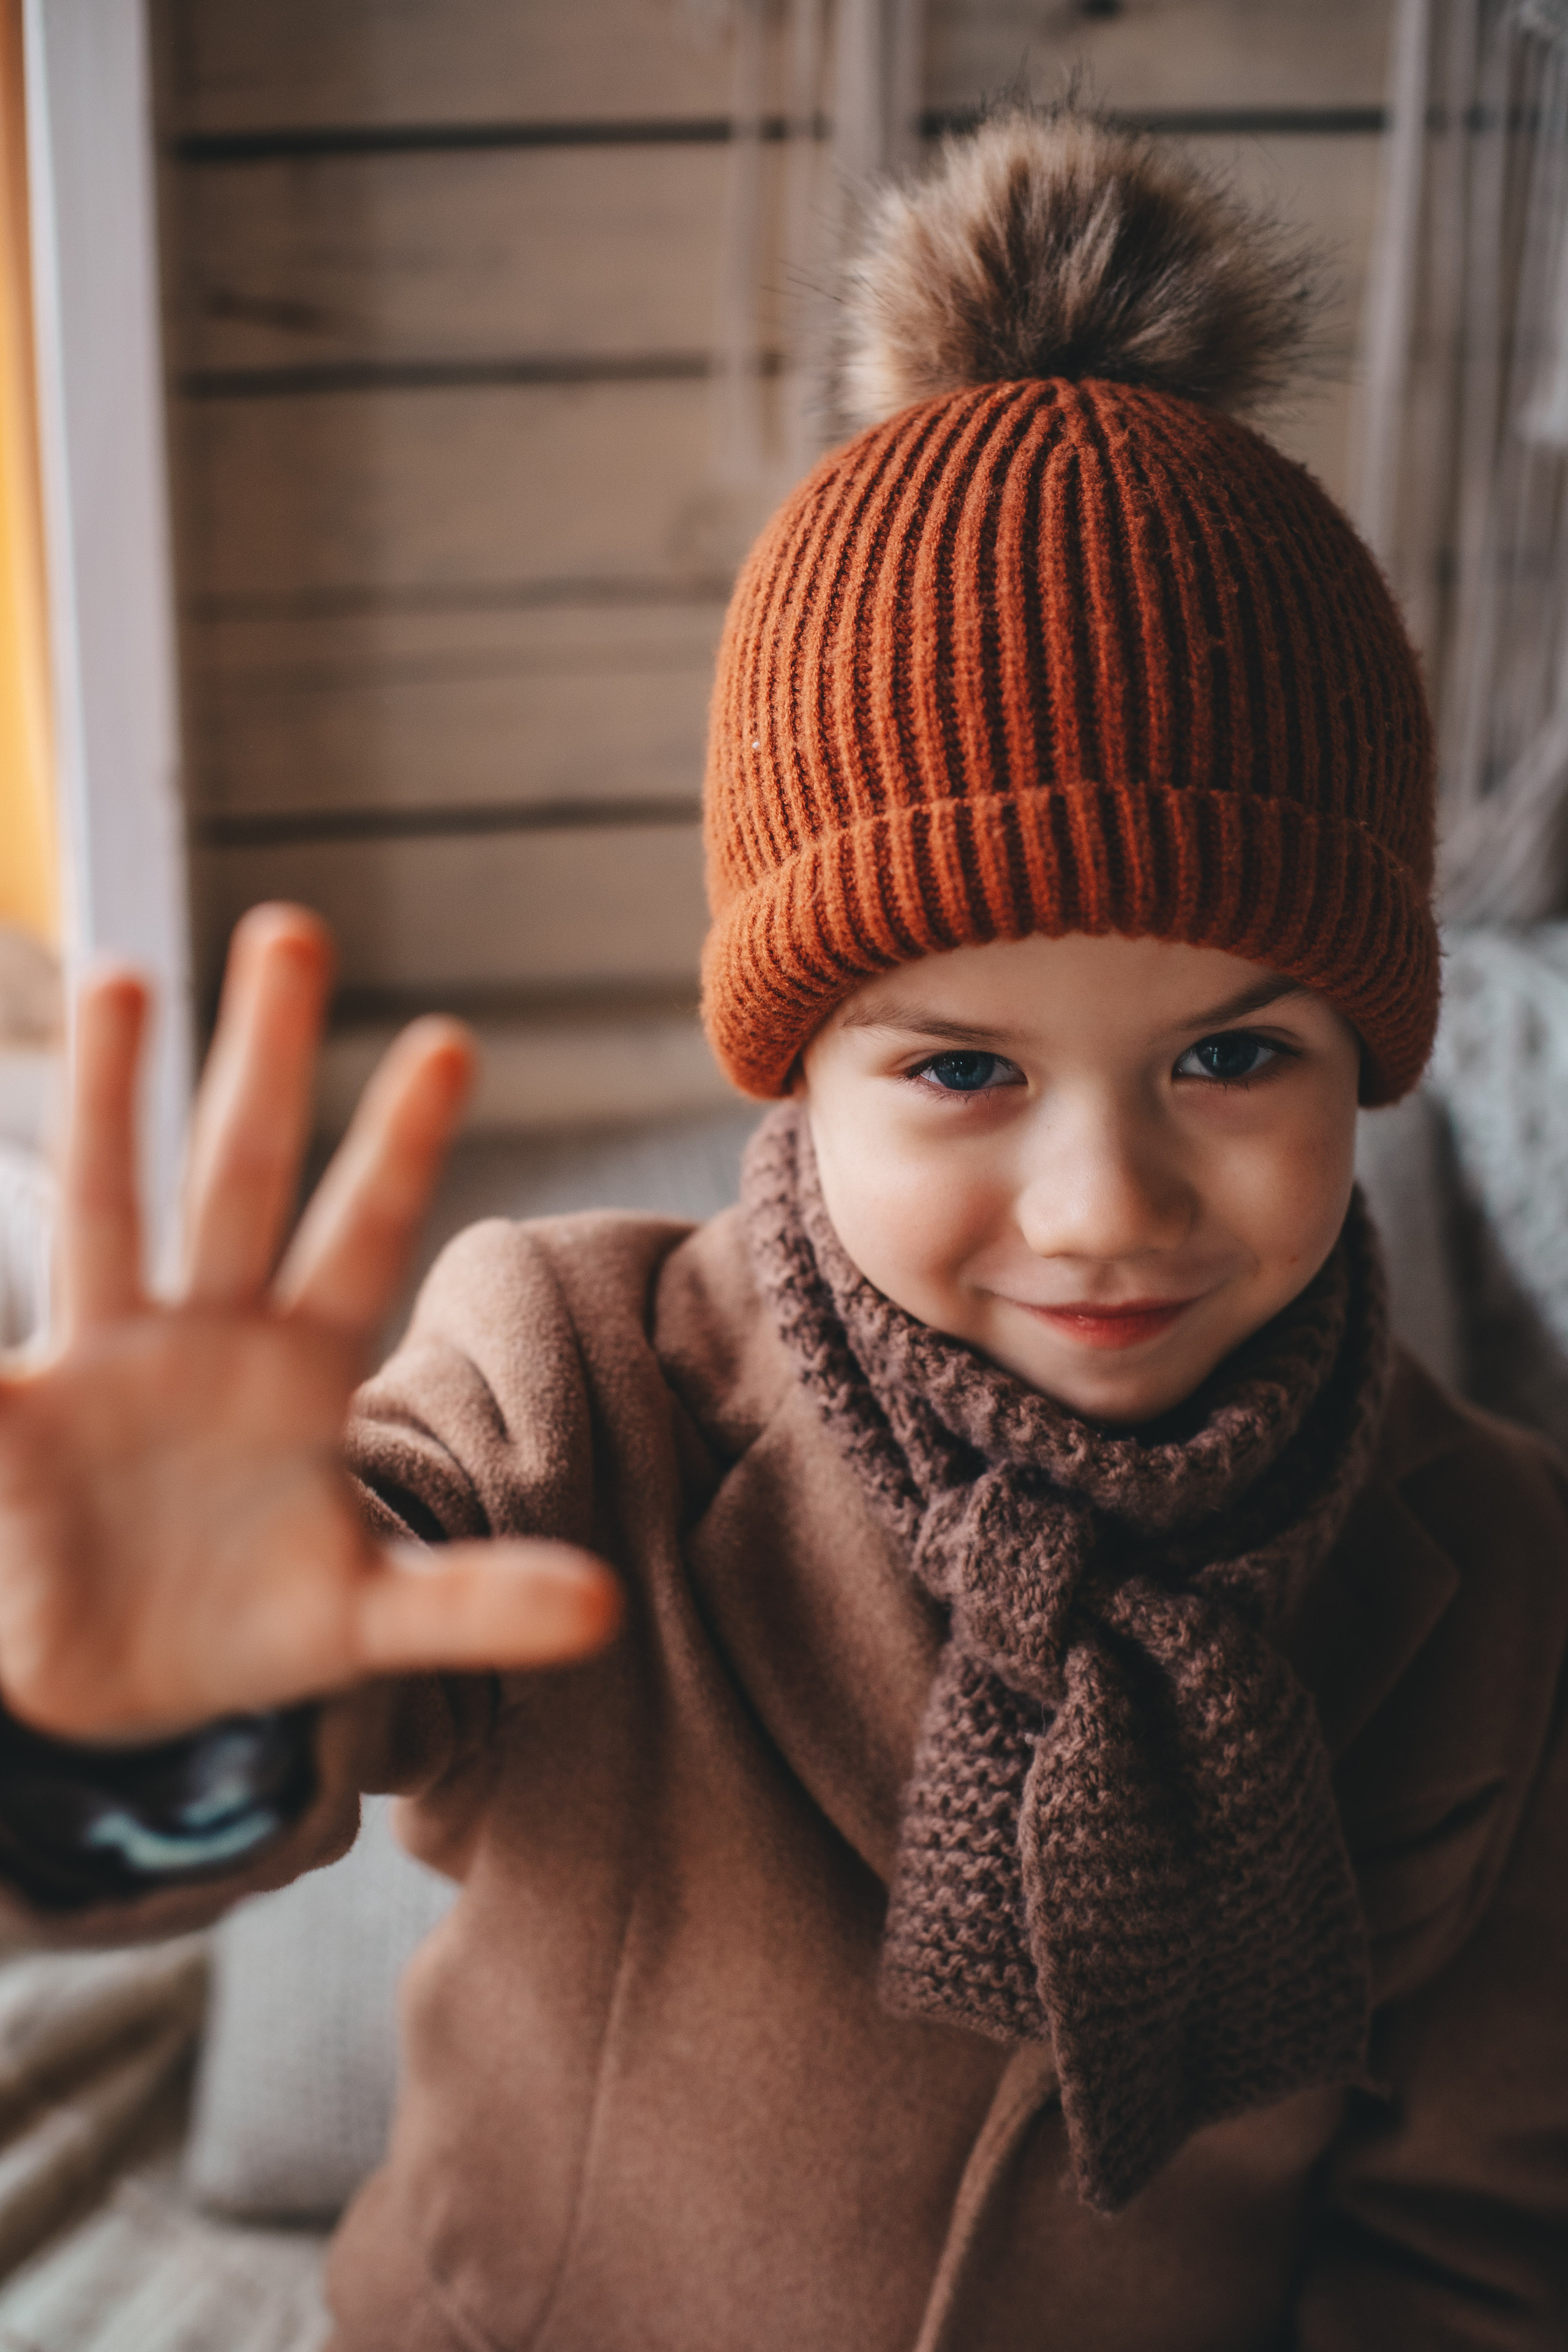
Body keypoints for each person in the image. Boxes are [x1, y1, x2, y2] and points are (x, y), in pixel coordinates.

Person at [0, 104, 1563, 2351]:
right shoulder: (575, 1390)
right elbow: (330, 1652)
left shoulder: (1499, 1579)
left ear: (1373, 1056)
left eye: (1234, 1054)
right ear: (796, 1078)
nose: (1104, 1207)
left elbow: (1466, 2253)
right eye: (962, 1070)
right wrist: (140, 1721)